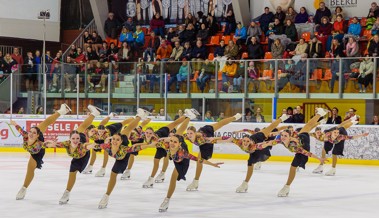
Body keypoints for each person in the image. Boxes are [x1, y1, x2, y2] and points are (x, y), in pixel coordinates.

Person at [261, 108, 330, 197]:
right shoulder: (280, 140)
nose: (283, 137)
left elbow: (306, 153)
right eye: (282, 135)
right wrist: (260, 145)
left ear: (290, 137)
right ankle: (320, 114)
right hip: (299, 136)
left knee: (293, 166)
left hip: (304, 144)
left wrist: (319, 159)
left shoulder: (295, 146)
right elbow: (269, 142)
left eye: (285, 136)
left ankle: (286, 187)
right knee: (308, 126)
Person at [213, 114, 290, 193]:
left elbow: (268, 142)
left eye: (247, 141)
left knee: (270, 128)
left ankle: (282, 118)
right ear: (241, 140)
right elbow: (224, 138)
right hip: (255, 144)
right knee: (250, 162)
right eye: (244, 141)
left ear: (250, 142)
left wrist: (280, 140)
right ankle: (245, 184)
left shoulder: (253, 146)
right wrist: (212, 139)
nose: (245, 143)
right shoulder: (238, 142)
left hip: (260, 140)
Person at [43, 105, 103, 204]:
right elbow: (47, 145)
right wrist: (50, 144)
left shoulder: (81, 145)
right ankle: (94, 114)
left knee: (72, 173)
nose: (75, 140)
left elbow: (87, 146)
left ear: (79, 139)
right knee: (81, 127)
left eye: (77, 139)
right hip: (77, 152)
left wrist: (92, 145)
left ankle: (66, 192)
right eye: (73, 139)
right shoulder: (66, 143)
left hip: (83, 156)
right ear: (70, 139)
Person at [12, 104, 72, 200]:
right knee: (30, 170)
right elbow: (19, 128)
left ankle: (23, 188)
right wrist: (14, 123)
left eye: (34, 133)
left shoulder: (40, 144)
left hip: (38, 153)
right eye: (30, 132)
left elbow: (46, 144)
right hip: (34, 146)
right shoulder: (26, 135)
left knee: (30, 168)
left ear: (37, 135)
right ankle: (62, 111)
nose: (31, 134)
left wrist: (52, 144)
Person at [97, 110, 154, 209]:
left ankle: (106, 196)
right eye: (113, 139)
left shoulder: (125, 149)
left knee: (113, 174)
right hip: (123, 142)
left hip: (123, 158)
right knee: (127, 130)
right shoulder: (108, 146)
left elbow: (136, 147)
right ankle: (140, 116)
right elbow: (94, 145)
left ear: (121, 141)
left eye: (117, 139)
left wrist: (149, 144)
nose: (114, 141)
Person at [185, 113, 242, 191]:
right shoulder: (186, 136)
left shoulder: (202, 139)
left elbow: (216, 139)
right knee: (220, 123)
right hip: (204, 129)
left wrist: (229, 140)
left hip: (206, 139)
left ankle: (234, 117)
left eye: (191, 133)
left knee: (199, 161)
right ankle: (234, 117)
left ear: (194, 133)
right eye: (188, 133)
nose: (189, 135)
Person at [142, 109, 198, 188]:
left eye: (150, 133)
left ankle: (153, 177)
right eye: (147, 133)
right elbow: (145, 143)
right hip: (161, 135)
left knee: (178, 132)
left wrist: (169, 139)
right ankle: (188, 116)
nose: (148, 134)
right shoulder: (144, 135)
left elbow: (162, 142)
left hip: (163, 140)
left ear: (153, 134)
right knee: (175, 125)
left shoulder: (157, 141)